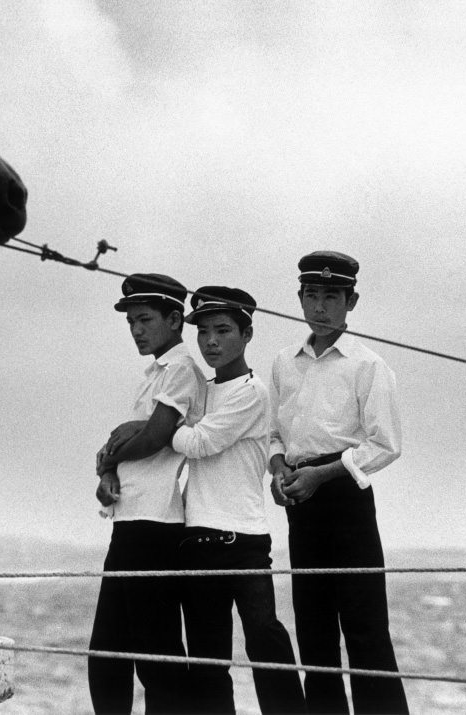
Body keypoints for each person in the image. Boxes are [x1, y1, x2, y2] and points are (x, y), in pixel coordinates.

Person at [269, 251, 409, 715]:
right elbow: (273, 433)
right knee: (314, 629)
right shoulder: (283, 363)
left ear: (351, 301)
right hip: (300, 501)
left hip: (345, 494)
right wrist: (277, 470)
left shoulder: (368, 365)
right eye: (312, 295)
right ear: (300, 299)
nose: (321, 307)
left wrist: (322, 475)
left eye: (332, 296)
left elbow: (385, 444)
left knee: (365, 626)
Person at [168, 286, 305, 715]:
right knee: (208, 657)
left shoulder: (253, 392)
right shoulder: (201, 390)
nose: (210, 341)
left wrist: (159, 426)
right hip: (196, 538)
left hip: (243, 539)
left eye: (223, 330)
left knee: (265, 639)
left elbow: (201, 442)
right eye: (204, 331)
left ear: (247, 334)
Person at [87, 274, 206, 715]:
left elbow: (157, 437)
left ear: (175, 319)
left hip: (155, 526)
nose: (136, 330)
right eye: (131, 322)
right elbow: (141, 439)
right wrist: (112, 468)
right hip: (131, 521)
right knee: (107, 655)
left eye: (145, 320)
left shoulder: (180, 370)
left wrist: (106, 461)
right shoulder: (156, 372)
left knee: (157, 659)